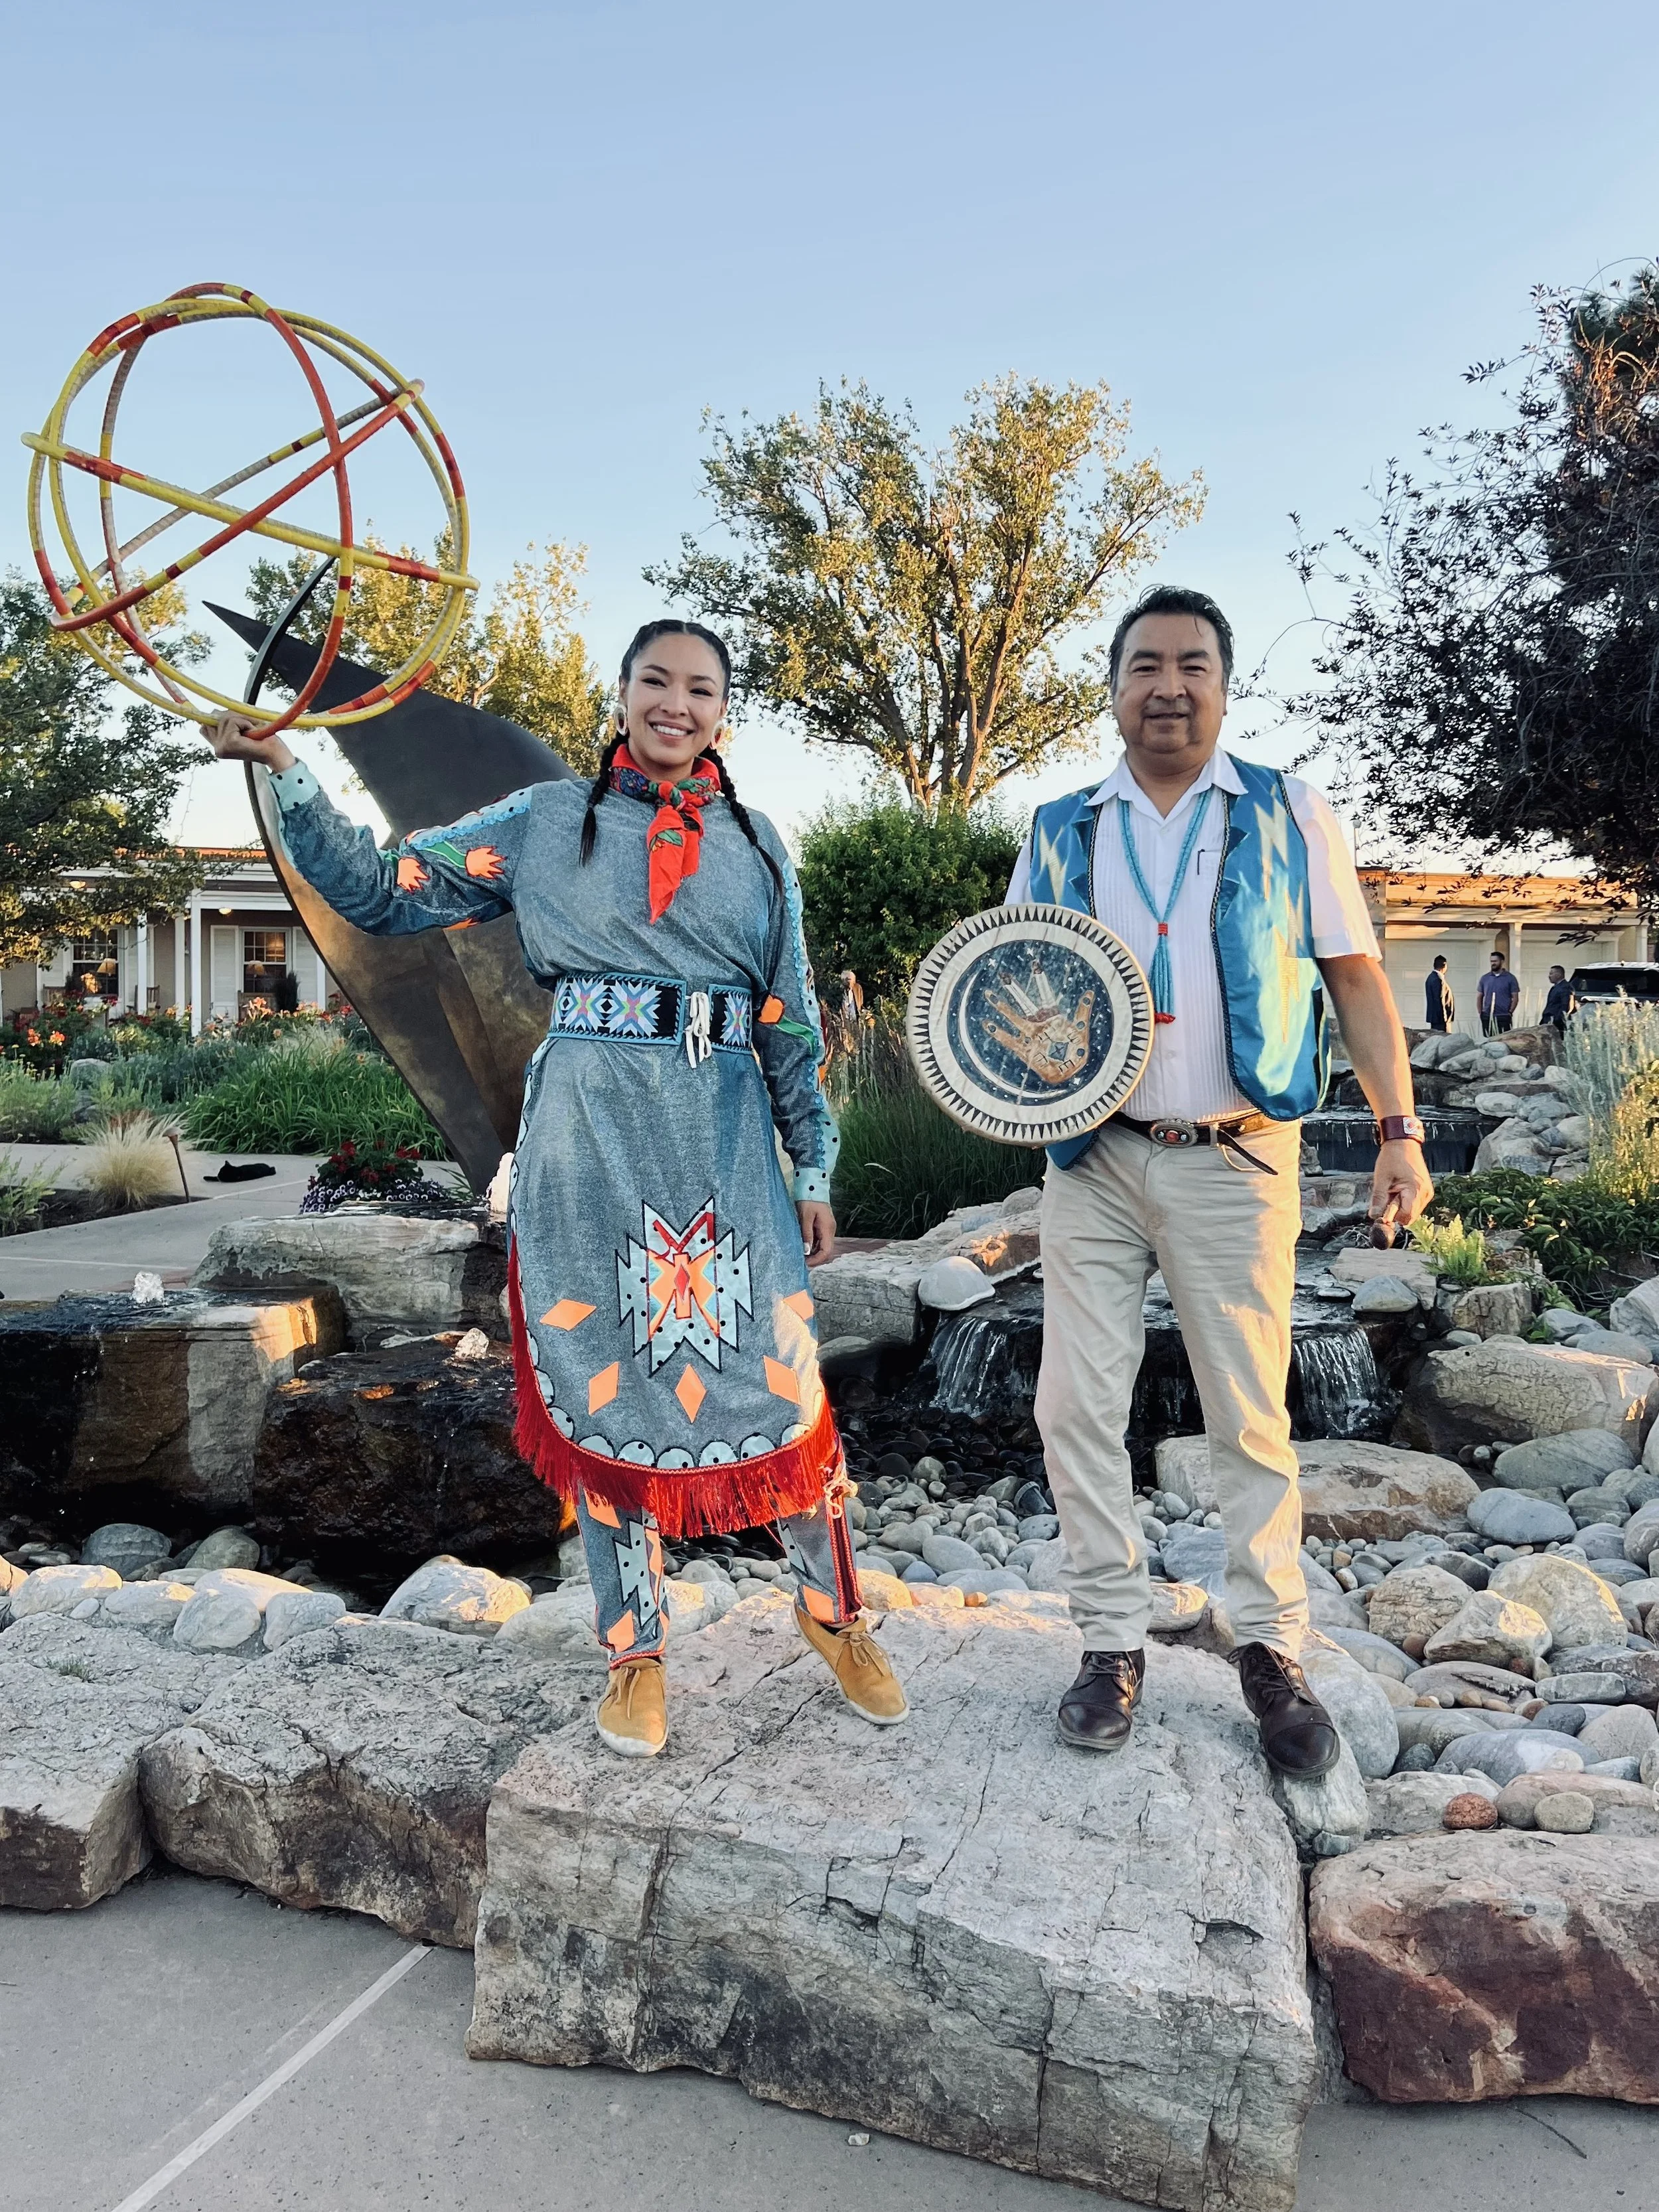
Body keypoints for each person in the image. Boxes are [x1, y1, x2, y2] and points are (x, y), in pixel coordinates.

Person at [202, 619, 906, 1757]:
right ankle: (634, 1654)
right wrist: (288, 768)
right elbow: (387, 891)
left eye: (701, 688)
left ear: (723, 712)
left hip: (724, 1142)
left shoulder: (757, 843)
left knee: (782, 1381)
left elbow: (788, 1017)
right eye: (655, 681)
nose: (676, 703)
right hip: (588, 1140)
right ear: (622, 693)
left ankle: (835, 1614)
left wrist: (812, 1162)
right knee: (601, 1379)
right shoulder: (541, 825)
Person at [1005, 585, 1433, 1777]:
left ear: (1225, 687)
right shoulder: (1060, 828)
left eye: (1192, 664)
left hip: (1239, 1154)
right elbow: (1014, 981)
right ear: (1114, 689)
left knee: (1247, 1411)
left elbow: (1354, 976)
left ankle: (1272, 1650)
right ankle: (1110, 1639)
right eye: (1145, 665)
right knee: (1073, 1406)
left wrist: (1399, 1129)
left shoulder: (1290, 812)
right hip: (1095, 1157)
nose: (1169, 686)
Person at [1477, 952, 1520, 1035]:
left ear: (1502, 961)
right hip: (1487, 1016)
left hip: (1503, 1016)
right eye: (1491, 961)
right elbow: (1479, 997)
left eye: (1495, 961)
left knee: (1504, 1039)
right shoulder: (1485, 978)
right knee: (1489, 1039)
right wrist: (1481, 1012)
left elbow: (1515, 998)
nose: (1493, 963)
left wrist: (1510, 1012)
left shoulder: (1510, 978)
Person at [1542, 964, 1575, 1035]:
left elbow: (1565, 1006)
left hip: (1556, 1023)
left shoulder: (1565, 988)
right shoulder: (1556, 987)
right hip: (1549, 1020)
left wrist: (1557, 1020)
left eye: (1551, 974)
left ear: (1559, 975)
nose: (1549, 976)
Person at [1424, 955, 1454, 1033]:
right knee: (1442, 1037)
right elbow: (1440, 1000)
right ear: (1444, 966)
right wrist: (1444, 1018)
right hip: (1440, 1019)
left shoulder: (1431, 977)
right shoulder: (1438, 979)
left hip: (1436, 1018)